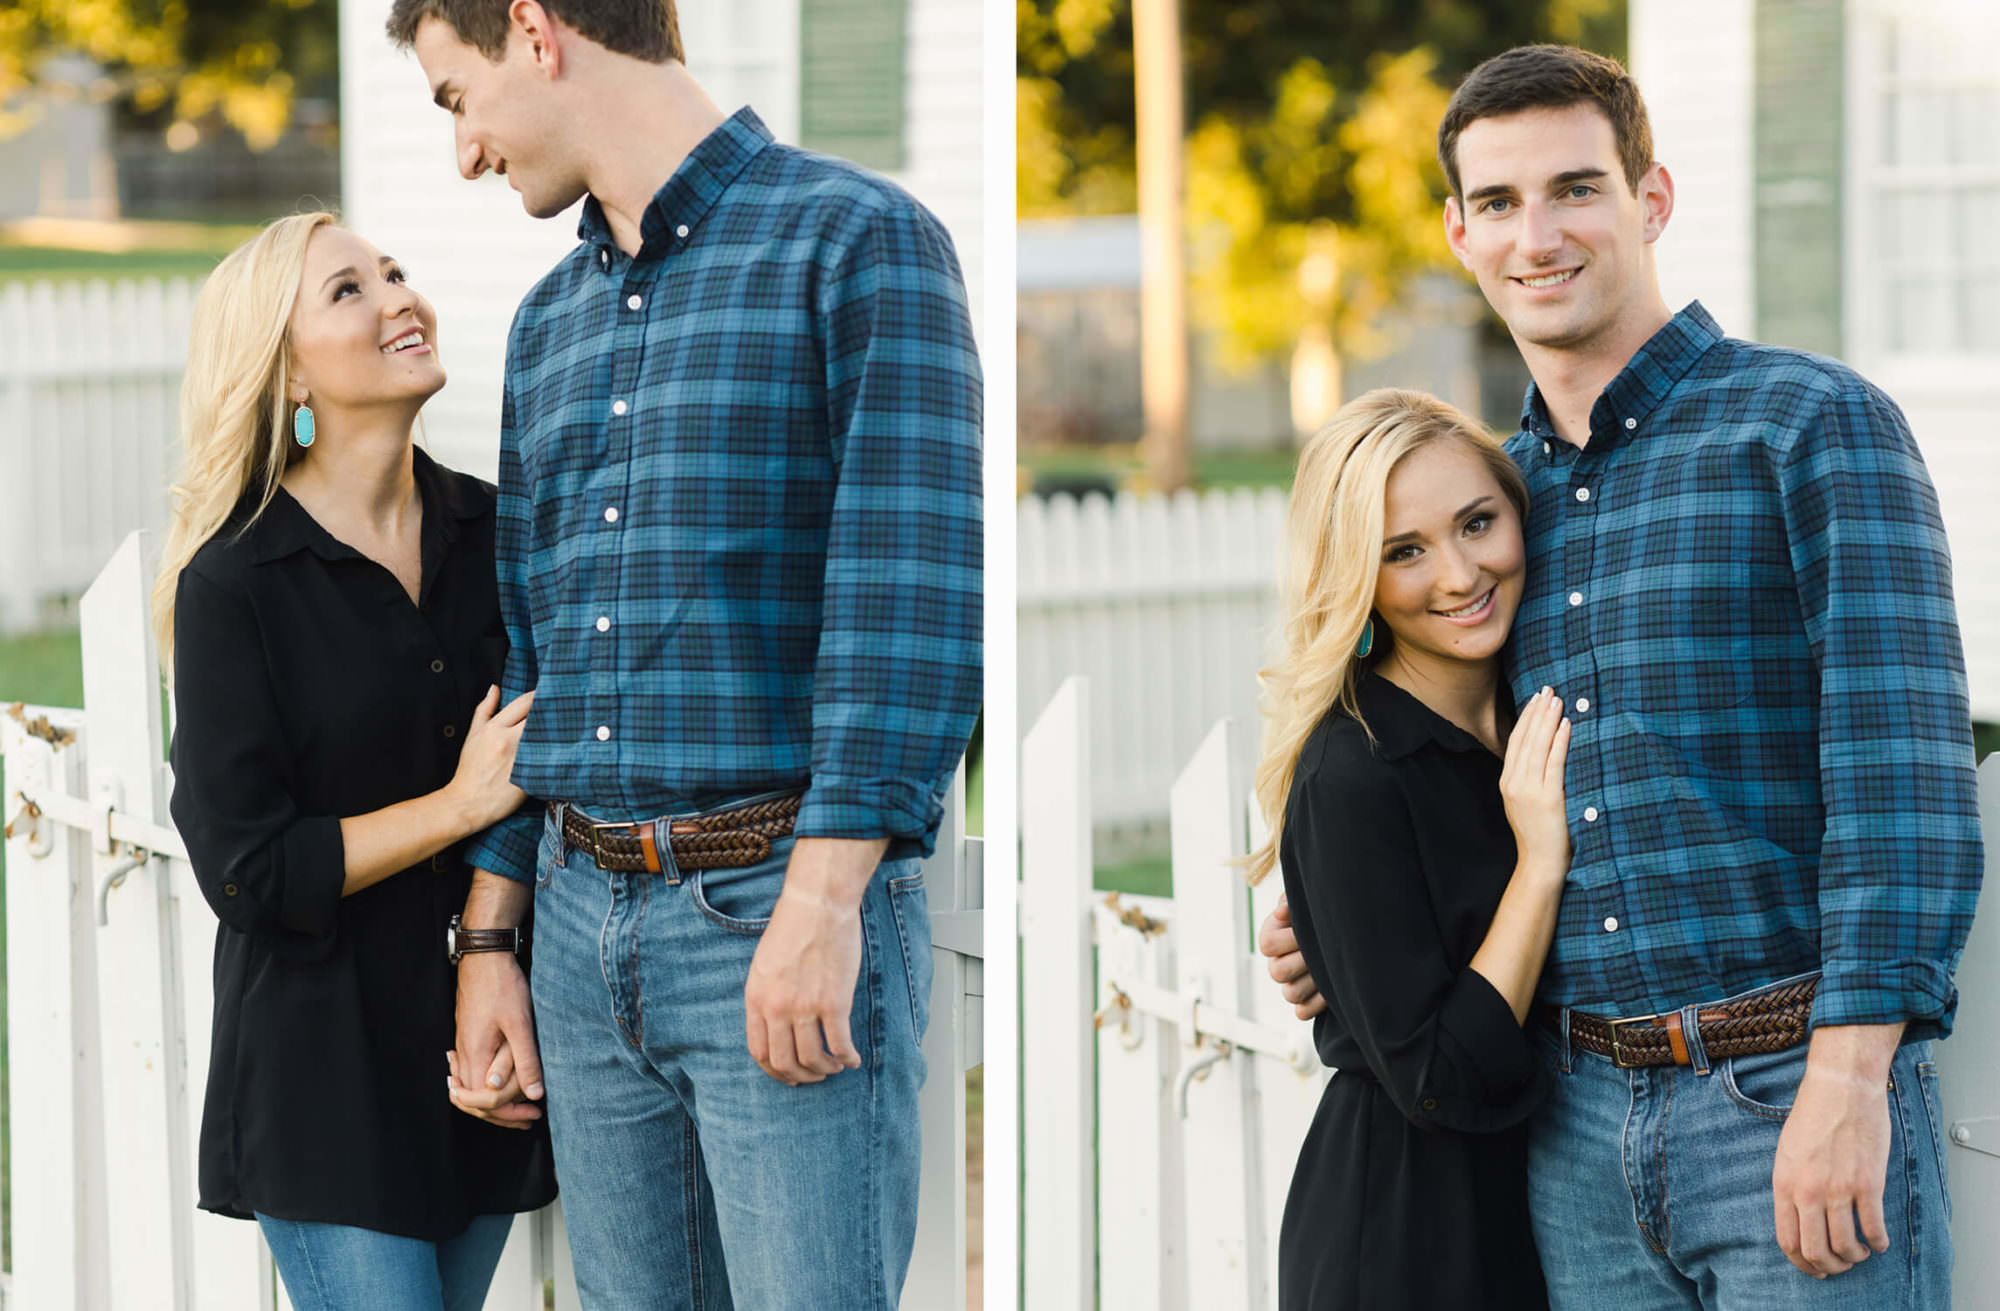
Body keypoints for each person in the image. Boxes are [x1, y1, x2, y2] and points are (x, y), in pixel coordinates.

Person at [1259, 44, 1979, 1307]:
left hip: (1777, 1098)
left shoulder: (1805, 427)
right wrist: (1338, 920)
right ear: (1457, 231)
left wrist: (1849, 1080)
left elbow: (1899, 777)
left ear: (1648, 200)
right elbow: (1438, 766)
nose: (1535, 234)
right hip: (1565, 1134)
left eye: (1573, 189)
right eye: (1496, 203)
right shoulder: (1495, 505)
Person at [385, 1, 983, 1306]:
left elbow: (911, 602)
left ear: (535, 30)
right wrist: (495, 937)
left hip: (775, 908)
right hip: (583, 926)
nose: (465, 152)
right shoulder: (547, 324)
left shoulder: (858, 243)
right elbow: (537, 658)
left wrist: (824, 904)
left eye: (455, 96)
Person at [158, 212, 557, 1310]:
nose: (397, 299)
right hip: (321, 1084)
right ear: (285, 368)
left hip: (480, 1057)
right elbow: (248, 868)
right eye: (347, 291)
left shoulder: (496, 534)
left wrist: (494, 952)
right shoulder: (236, 583)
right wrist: (458, 802)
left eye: (394, 273)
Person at [1249, 389, 1571, 1309]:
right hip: (1408, 1238)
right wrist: (1536, 867)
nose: (1462, 574)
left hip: (1549, 1206)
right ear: (1358, 577)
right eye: (1405, 551)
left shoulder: (1540, 705)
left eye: (1478, 522)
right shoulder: (1352, 771)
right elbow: (1435, 1078)